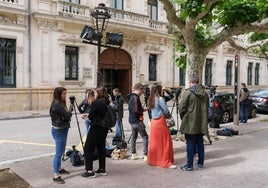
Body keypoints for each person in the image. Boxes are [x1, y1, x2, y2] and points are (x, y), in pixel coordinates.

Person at [179, 75, 209, 171]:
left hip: (190, 122)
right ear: (198, 81)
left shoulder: (188, 92)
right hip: (201, 122)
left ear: (190, 82)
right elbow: (207, 107)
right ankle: (200, 163)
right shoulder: (205, 93)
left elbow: (181, 107)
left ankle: (189, 165)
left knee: (190, 143)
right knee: (200, 142)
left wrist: (183, 116)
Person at [81, 87, 110, 178]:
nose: (94, 94)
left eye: (95, 93)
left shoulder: (97, 102)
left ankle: (89, 171)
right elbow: (98, 114)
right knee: (101, 147)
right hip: (104, 127)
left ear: (98, 93)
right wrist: (90, 115)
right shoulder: (106, 102)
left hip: (96, 127)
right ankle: (102, 169)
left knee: (88, 148)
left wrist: (87, 116)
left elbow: (91, 116)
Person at [147, 84, 177, 169]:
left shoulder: (150, 99)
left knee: (155, 142)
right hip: (160, 121)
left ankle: (154, 160)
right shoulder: (160, 99)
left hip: (154, 121)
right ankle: (165, 161)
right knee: (165, 142)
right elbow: (166, 110)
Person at [49, 87, 72, 184]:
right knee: (58, 154)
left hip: (63, 129)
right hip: (59, 131)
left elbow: (66, 117)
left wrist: (66, 116)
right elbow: (68, 116)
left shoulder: (59, 103)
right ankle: (55, 174)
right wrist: (69, 109)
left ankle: (58, 168)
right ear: (59, 95)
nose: (65, 96)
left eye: (65, 94)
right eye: (64, 94)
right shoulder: (57, 105)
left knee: (62, 151)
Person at [127, 83, 149, 161]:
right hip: (137, 121)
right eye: (142, 90)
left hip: (132, 120)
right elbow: (136, 110)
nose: (142, 92)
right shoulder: (136, 98)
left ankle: (134, 154)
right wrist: (143, 110)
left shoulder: (131, 97)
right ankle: (146, 155)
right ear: (139, 89)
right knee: (145, 136)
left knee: (134, 137)